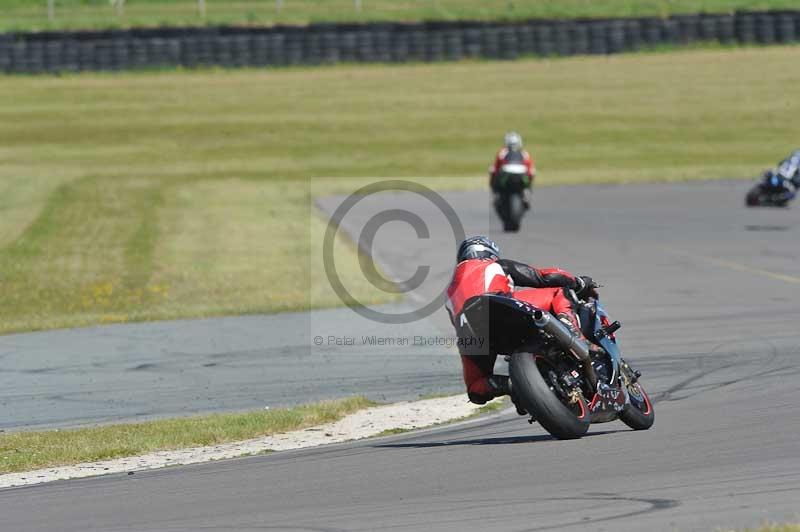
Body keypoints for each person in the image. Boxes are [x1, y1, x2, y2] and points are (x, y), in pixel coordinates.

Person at [445, 236, 601, 408]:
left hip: (469, 331)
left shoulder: (450, 289)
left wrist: (521, 384)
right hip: (498, 307)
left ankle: (513, 386)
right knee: (559, 292)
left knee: (475, 387)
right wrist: (578, 282)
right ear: (490, 252)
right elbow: (543, 277)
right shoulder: (492, 264)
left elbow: (476, 396)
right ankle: (572, 329)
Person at [490, 132, 535, 207]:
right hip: (522, 175)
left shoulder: (502, 152)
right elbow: (530, 169)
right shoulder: (525, 153)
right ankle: (526, 195)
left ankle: (496, 195)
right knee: (529, 180)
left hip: (506, 175)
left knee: (495, 178)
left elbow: (496, 168)